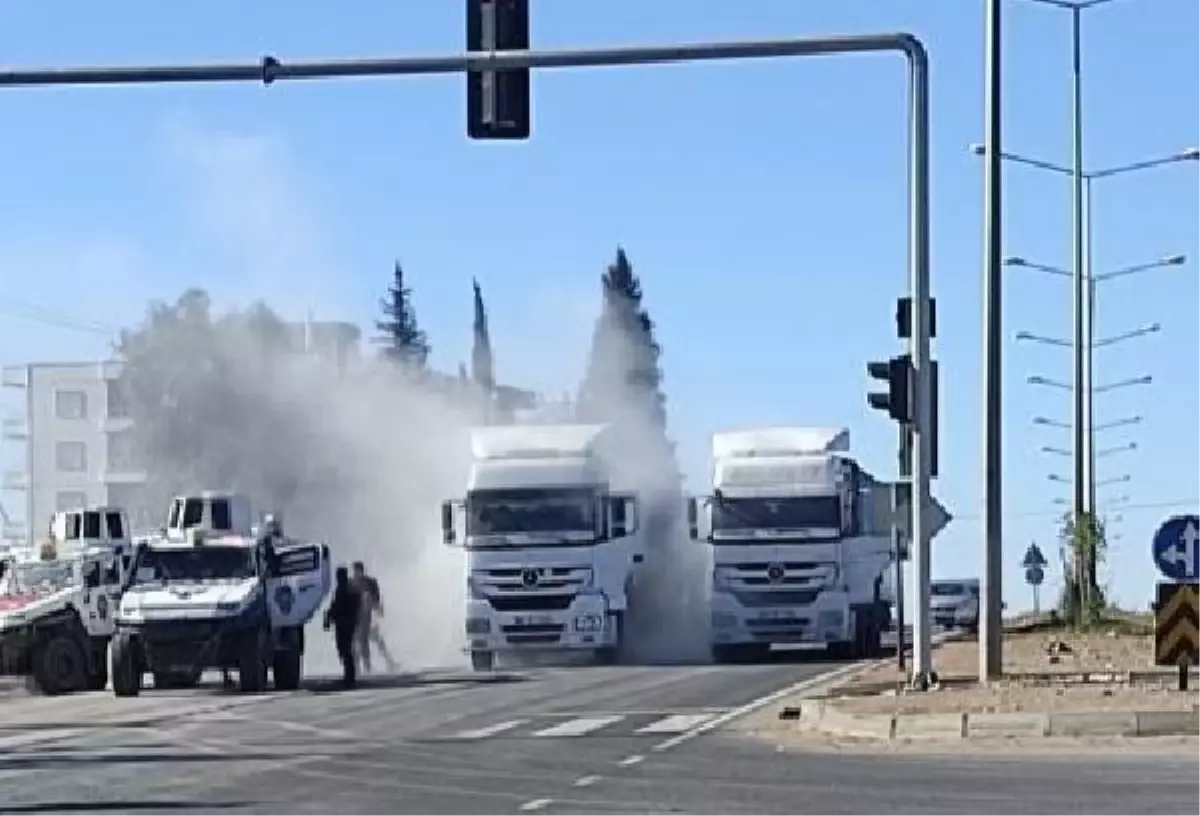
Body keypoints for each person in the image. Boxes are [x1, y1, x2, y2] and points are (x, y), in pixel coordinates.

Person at [351, 561, 397, 674]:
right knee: (356, 645)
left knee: (377, 642)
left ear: (361, 571)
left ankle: (389, 663)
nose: (356, 574)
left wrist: (378, 608)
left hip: (368, 619)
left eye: (358, 571)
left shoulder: (370, 582)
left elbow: (376, 599)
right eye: (355, 571)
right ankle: (358, 669)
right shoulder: (351, 584)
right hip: (356, 620)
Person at [323, 566, 361, 688]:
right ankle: (349, 676)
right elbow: (335, 605)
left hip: (346, 623)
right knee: (344, 649)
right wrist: (329, 617)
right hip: (344, 623)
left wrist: (330, 617)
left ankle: (350, 677)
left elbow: (339, 605)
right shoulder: (343, 588)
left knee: (345, 649)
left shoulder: (348, 588)